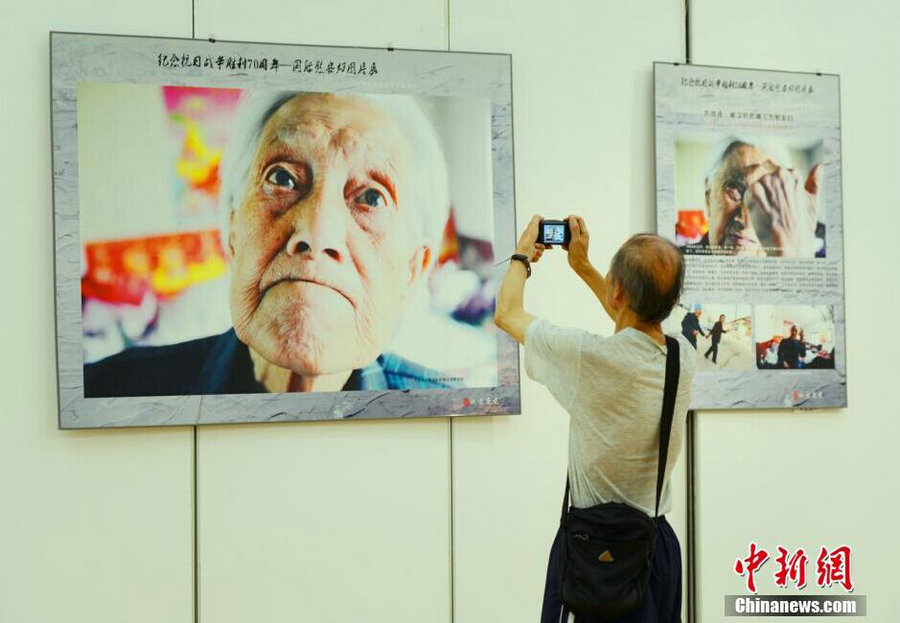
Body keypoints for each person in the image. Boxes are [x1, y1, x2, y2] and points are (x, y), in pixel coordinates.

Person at [84, 92, 454, 397]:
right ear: (232, 231)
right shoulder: (108, 391)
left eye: (371, 199)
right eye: (282, 177)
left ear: (412, 270)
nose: (317, 232)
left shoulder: (448, 415)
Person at [494, 216, 696, 623]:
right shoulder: (683, 356)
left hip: (595, 555)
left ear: (618, 290)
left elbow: (507, 313)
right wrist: (584, 267)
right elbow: (631, 322)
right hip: (655, 551)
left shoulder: (590, 359)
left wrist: (521, 255)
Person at [685, 140, 825, 257]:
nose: (745, 220)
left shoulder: (805, 258)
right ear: (708, 197)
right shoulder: (676, 265)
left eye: (765, 197)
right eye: (734, 192)